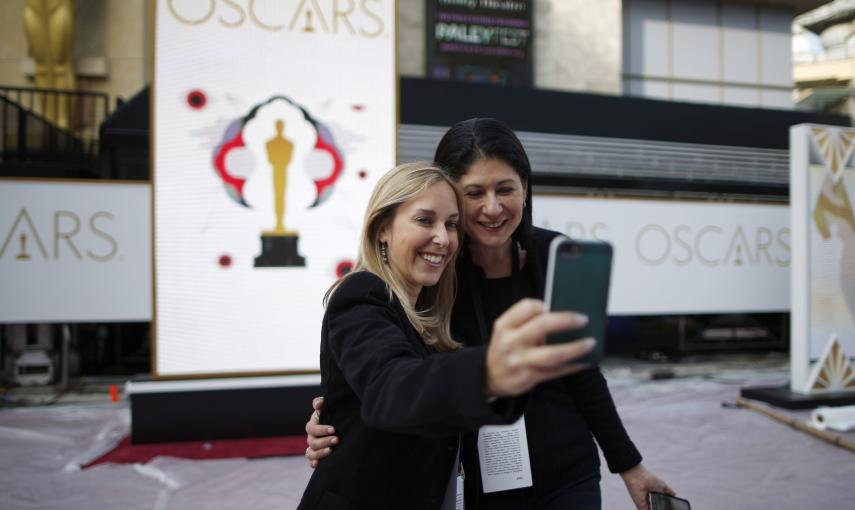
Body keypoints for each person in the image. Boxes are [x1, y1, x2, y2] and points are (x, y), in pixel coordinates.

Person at [306, 119, 676, 510]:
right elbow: (393, 375)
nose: (493, 207)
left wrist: (629, 465)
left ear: (526, 189)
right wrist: (338, 415)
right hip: (481, 480)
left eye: (505, 189)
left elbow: (582, 374)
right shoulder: (435, 275)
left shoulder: (555, 257)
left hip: (568, 474)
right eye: (474, 193)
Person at [298, 161, 596, 510]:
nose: (442, 238)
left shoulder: (431, 315)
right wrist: (487, 372)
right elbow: (393, 387)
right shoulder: (362, 293)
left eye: (452, 224)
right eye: (425, 220)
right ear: (382, 228)